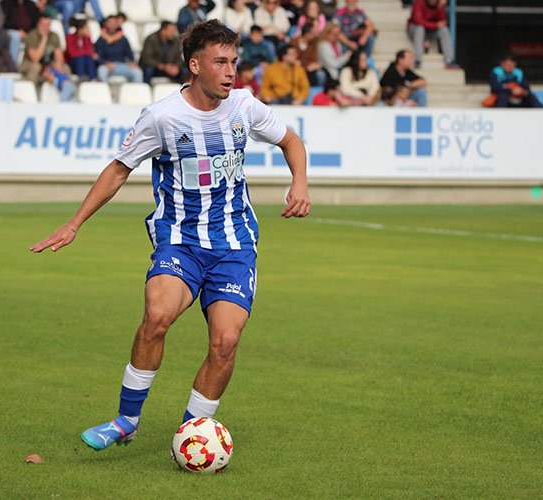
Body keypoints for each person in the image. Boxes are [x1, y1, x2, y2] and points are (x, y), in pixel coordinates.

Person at [30, 19, 309, 453]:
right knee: (157, 316)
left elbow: (291, 141)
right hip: (180, 239)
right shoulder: (161, 117)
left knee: (226, 342)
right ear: (195, 65)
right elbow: (120, 169)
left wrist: (301, 183)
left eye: (234, 62)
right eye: (221, 62)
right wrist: (74, 222)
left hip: (235, 244)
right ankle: (126, 419)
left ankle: (192, 432)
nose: (231, 71)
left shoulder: (245, 106)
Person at [407, 0, 457, 68]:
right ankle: (417, 59)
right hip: (414, 30)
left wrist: (441, 7)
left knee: (444, 30)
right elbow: (418, 21)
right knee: (420, 29)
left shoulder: (439, 4)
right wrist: (435, 25)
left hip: (430, 30)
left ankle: (449, 60)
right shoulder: (419, 3)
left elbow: (442, 22)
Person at [95, 14, 141, 83]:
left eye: (114, 23)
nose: (112, 25)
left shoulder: (123, 39)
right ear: (106, 24)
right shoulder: (101, 39)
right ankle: (106, 92)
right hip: (107, 66)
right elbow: (98, 56)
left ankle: (137, 92)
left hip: (122, 65)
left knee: (137, 72)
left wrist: (132, 61)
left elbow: (129, 52)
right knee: (101, 71)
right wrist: (105, 63)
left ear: (117, 24)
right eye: (110, 23)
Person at [1, 0, 39, 66]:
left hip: (28, 32)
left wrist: (28, 33)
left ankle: (33, 64)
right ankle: (12, 65)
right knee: (16, 36)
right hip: (10, 30)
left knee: (35, 36)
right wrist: (18, 30)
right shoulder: (6, 3)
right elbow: (5, 22)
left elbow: (35, 23)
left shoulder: (31, 5)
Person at [291, 21, 324, 86]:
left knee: (320, 74)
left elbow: (314, 59)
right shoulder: (293, 43)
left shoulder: (313, 44)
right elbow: (293, 60)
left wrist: (315, 64)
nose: (315, 35)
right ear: (307, 34)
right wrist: (305, 65)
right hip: (296, 68)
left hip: (309, 69)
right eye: (313, 33)